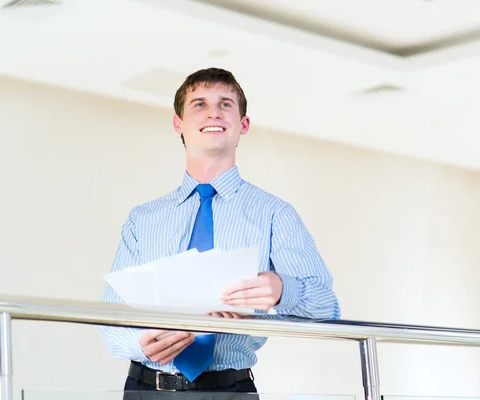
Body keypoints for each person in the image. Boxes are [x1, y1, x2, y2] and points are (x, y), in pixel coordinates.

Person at [100, 67, 341, 398]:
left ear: (243, 125)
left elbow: (328, 309)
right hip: (145, 388)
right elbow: (113, 313)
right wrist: (140, 343)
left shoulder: (275, 214)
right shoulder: (142, 219)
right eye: (199, 103)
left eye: (225, 103)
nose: (213, 111)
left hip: (230, 390)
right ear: (178, 124)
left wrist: (283, 289)